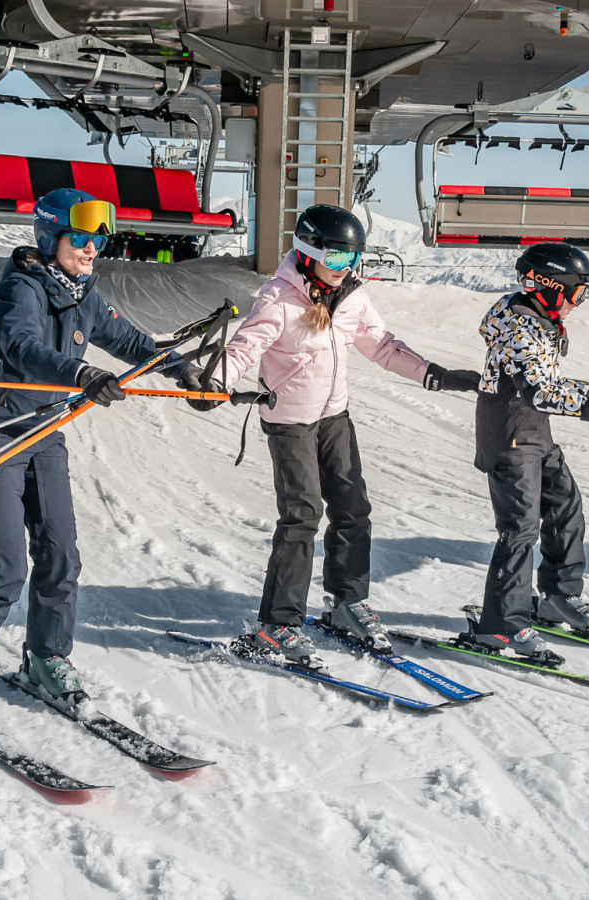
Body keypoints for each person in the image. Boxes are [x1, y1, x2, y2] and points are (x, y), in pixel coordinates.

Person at [0, 188, 208, 728]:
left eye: (97, 238)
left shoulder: (83, 291)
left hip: (45, 431)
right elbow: (23, 348)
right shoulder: (21, 289)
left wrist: (181, 371)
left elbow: (128, 340)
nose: (91, 249)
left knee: (61, 555)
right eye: (80, 238)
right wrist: (81, 374)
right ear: (50, 236)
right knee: (6, 568)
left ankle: (46, 659)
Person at [203, 204, 479, 668]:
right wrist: (215, 381)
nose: (345, 269)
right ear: (308, 253)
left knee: (353, 509)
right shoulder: (279, 298)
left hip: (334, 417)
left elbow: (383, 345)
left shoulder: (351, 296)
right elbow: (245, 346)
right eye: (336, 260)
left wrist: (433, 374)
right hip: (289, 421)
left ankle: (347, 603)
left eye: (353, 259)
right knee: (303, 515)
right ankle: (278, 625)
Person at [467, 243, 589, 664]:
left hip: (533, 430)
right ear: (549, 287)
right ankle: (501, 627)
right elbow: (540, 390)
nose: (579, 304)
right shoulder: (520, 329)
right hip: (509, 435)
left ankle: (558, 598)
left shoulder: (539, 318)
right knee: (520, 528)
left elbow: (548, 381)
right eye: (577, 293)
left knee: (566, 506)